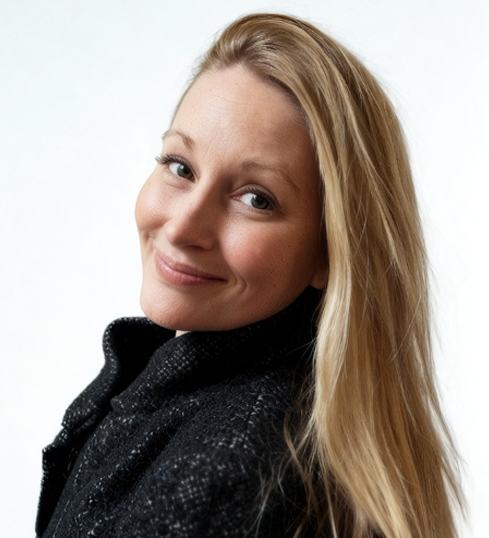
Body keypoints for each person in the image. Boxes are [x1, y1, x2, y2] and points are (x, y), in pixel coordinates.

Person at [35, 13, 464, 538]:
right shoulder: (224, 411)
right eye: (180, 167)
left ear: (329, 252)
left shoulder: (226, 472)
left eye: (256, 199)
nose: (183, 226)